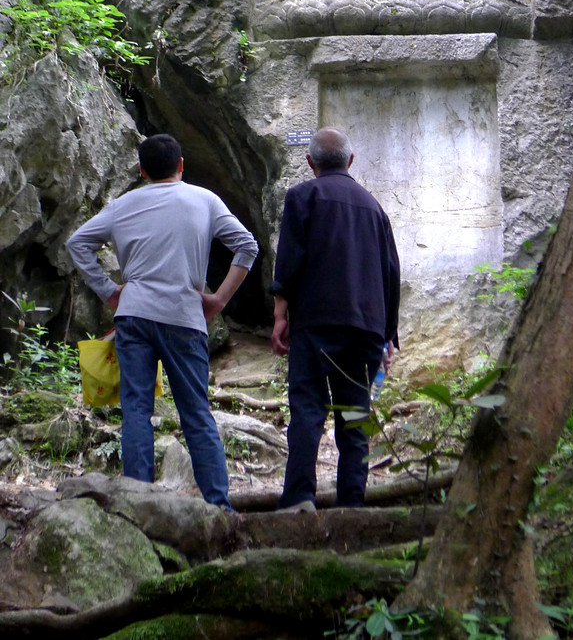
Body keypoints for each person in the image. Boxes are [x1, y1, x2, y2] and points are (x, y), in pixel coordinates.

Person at [67, 133, 258, 512]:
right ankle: (218, 505)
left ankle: (137, 503)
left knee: (136, 408)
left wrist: (109, 291)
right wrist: (218, 299)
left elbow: (78, 243)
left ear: (141, 170)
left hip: (134, 316)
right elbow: (247, 245)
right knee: (195, 413)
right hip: (184, 317)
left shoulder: (123, 205)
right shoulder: (204, 200)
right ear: (181, 165)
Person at [271, 127, 400, 511]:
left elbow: (289, 259)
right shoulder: (375, 208)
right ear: (351, 161)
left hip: (315, 324)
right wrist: (388, 335)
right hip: (366, 329)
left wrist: (280, 314)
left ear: (310, 162)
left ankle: (299, 498)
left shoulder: (302, 196)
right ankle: (352, 504)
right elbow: (391, 273)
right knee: (356, 414)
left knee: (308, 410)